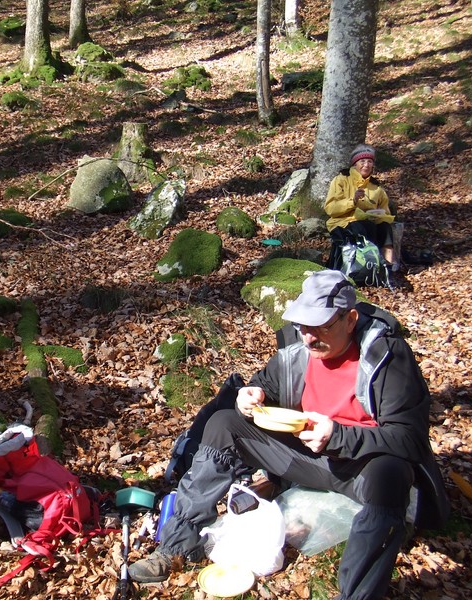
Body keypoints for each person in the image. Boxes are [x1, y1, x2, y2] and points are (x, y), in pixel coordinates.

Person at [129, 270, 449, 600]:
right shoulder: (298, 351)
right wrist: (249, 396)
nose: (309, 337)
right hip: (307, 459)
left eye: (321, 326)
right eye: (303, 325)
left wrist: (338, 436)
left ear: (350, 319)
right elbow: (263, 384)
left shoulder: (386, 357)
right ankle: (177, 545)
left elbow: (409, 439)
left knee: (391, 474)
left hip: (362, 468)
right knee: (224, 424)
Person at [325, 144, 396, 269]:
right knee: (364, 226)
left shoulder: (376, 188)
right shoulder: (341, 180)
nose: (366, 165)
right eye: (362, 161)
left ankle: (387, 269)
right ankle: (364, 268)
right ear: (355, 164)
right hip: (343, 222)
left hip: (370, 222)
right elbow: (330, 209)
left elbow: (386, 212)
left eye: (369, 162)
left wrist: (379, 214)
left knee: (385, 228)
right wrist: (353, 201)